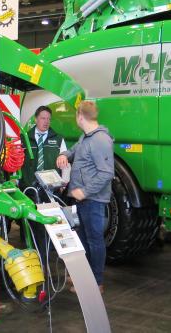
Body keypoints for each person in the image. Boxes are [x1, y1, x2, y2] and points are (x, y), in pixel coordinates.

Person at [63, 101, 114, 293]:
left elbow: (106, 173)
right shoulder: (85, 137)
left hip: (93, 200)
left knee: (94, 241)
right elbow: (74, 151)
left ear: (80, 116)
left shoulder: (100, 140)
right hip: (82, 201)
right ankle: (85, 277)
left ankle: (96, 283)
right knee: (83, 239)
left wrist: (84, 191)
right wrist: (64, 155)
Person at [20, 105, 69, 189]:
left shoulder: (58, 139)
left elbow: (65, 164)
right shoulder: (24, 138)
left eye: (48, 119)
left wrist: (63, 186)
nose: (46, 122)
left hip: (52, 188)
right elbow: (16, 162)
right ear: (36, 119)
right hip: (28, 187)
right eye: (43, 118)